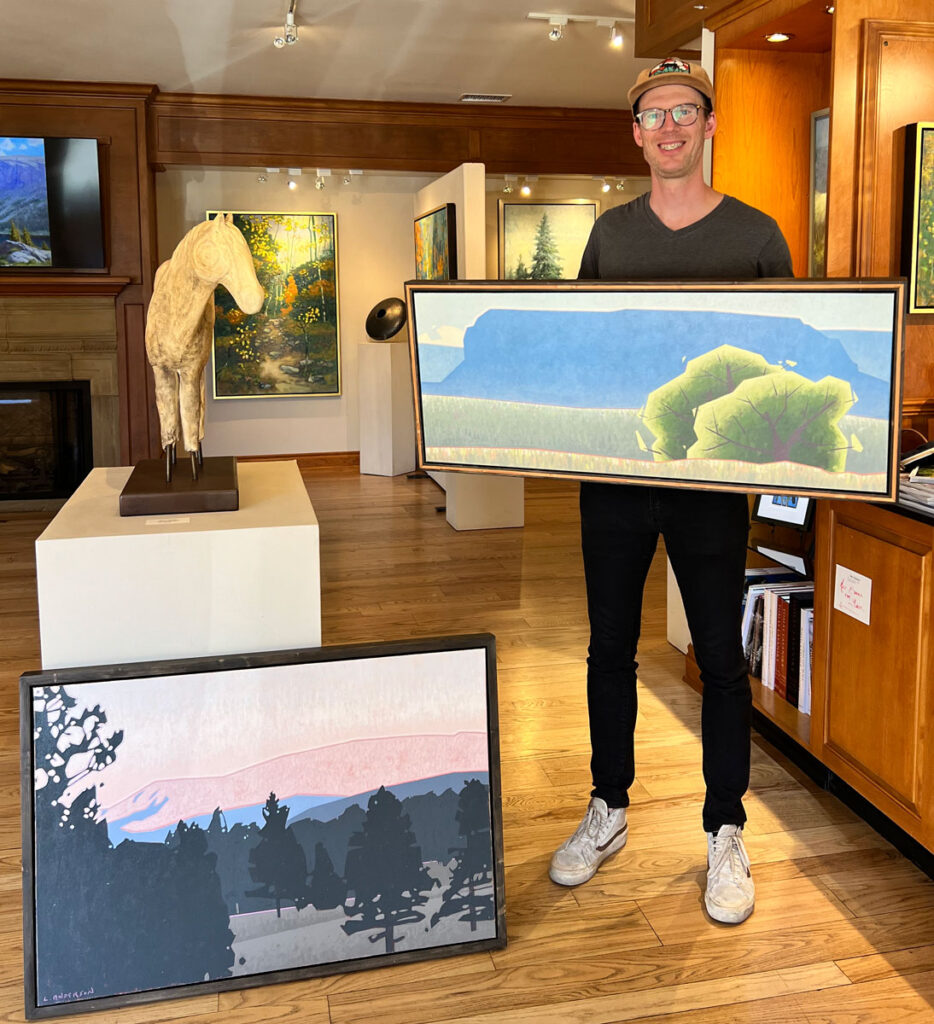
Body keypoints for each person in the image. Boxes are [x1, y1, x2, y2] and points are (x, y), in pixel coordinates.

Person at [548, 57, 793, 925]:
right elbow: (581, 357)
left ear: (710, 125)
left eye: (684, 111)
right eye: (653, 116)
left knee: (721, 660)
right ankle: (607, 808)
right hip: (614, 481)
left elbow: (781, 372)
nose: (669, 128)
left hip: (710, 490)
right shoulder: (609, 237)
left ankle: (726, 829)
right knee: (607, 647)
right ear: (638, 135)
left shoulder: (759, 236)